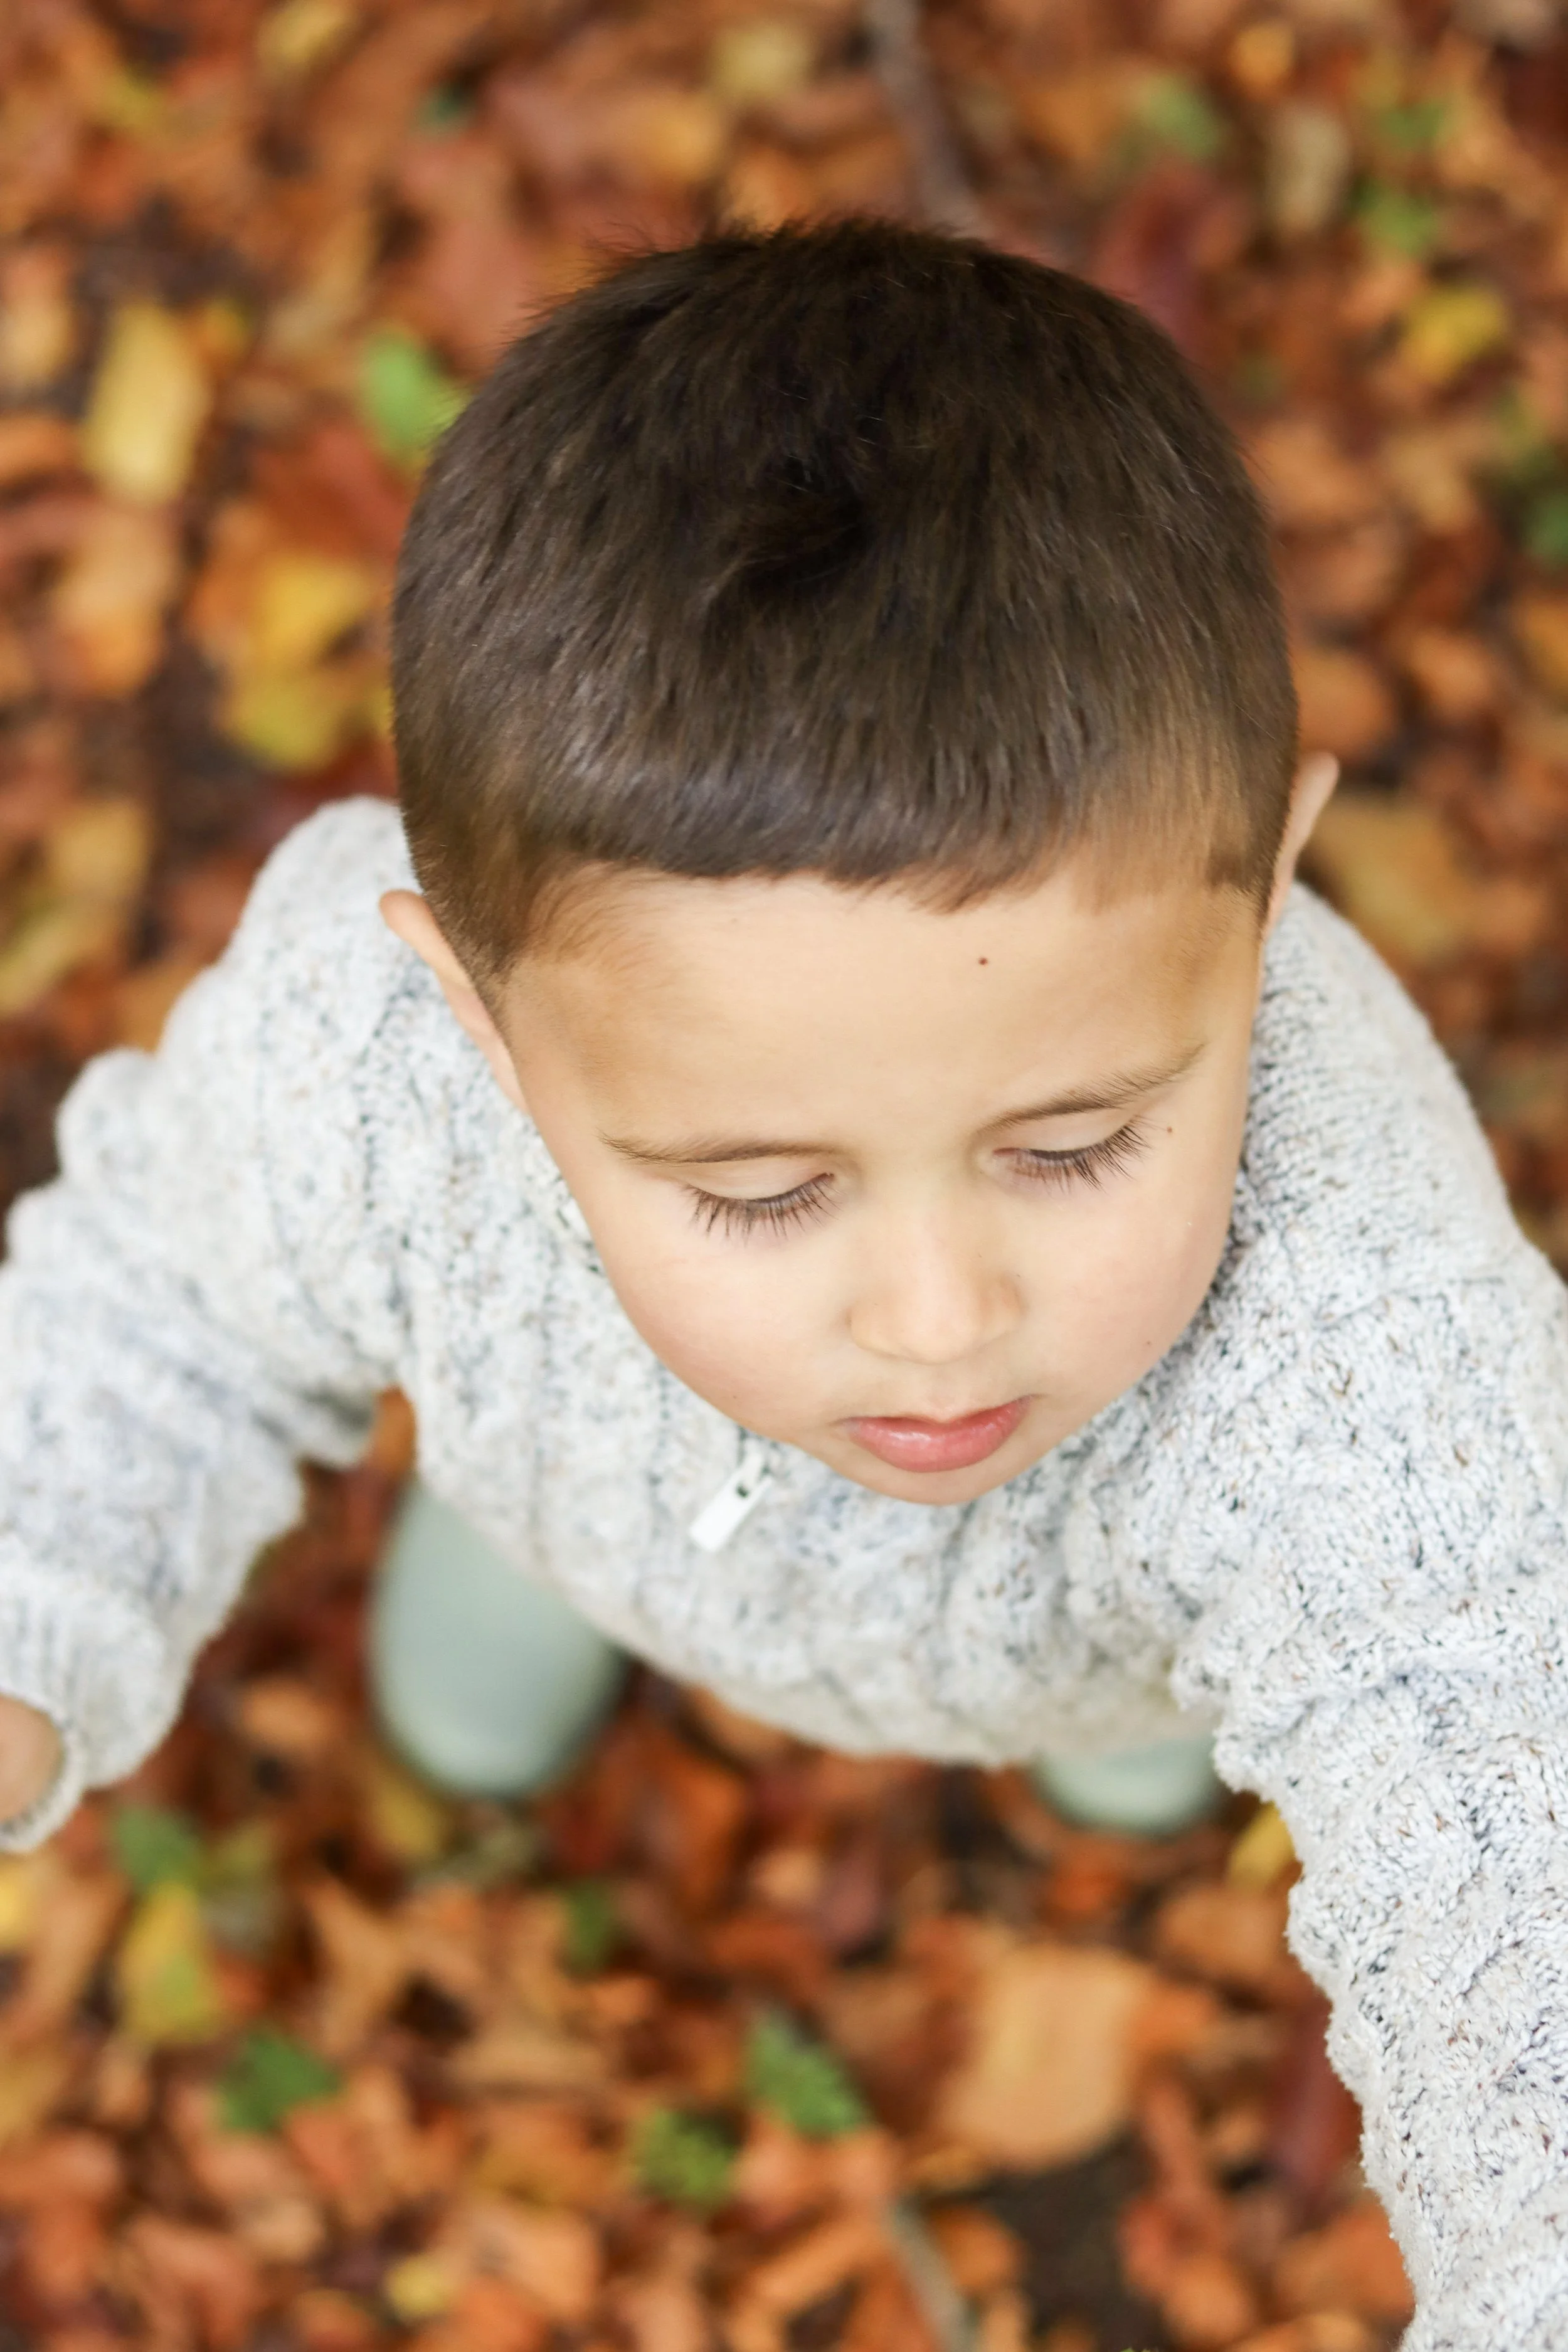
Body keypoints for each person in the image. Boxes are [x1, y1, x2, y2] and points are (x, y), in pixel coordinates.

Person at [0, 219, 1562, 2343]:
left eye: (1076, 1141)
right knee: (472, 1686)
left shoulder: (1360, 1322)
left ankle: (1117, 1748)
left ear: (1264, 896)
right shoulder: (358, 1069)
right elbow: (151, 1316)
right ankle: (534, 1626)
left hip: (1101, 1630)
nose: (936, 1316)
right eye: (754, 1186)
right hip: (564, 1482)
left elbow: (1505, 1782)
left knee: (1127, 1740)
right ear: (481, 1026)